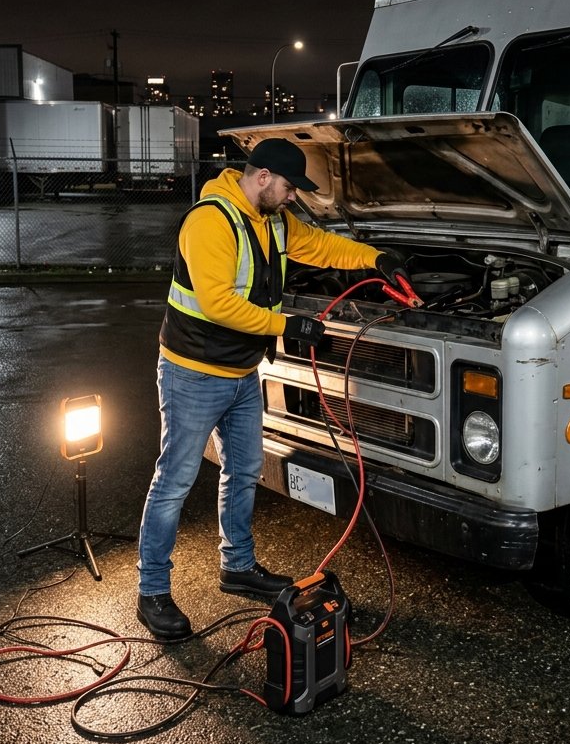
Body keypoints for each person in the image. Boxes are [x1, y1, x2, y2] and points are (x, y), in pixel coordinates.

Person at [136, 137, 409, 639]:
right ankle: (152, 592)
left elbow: (323, 246)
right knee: (174, 483)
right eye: (287, 187)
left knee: (242, 472)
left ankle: (237, 567)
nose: (291, 198)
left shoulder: (273, 221)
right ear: (262, 176)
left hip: (241, 374)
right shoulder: (209, 222)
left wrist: (376, 259)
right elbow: (218, 304)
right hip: (192, 373)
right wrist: (287, 325)